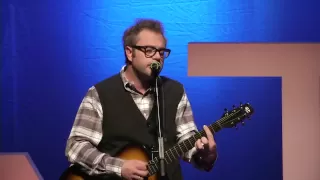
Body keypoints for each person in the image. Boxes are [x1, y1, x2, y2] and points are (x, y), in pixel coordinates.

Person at [64, 19, 218, 180]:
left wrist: (203, 153)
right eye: (150, 50)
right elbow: (76, 148)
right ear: (130, 53)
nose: (158, 57)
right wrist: (119, 166)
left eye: (161, 52)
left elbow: (186, 138)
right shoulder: (99, 94)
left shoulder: (176, 91)